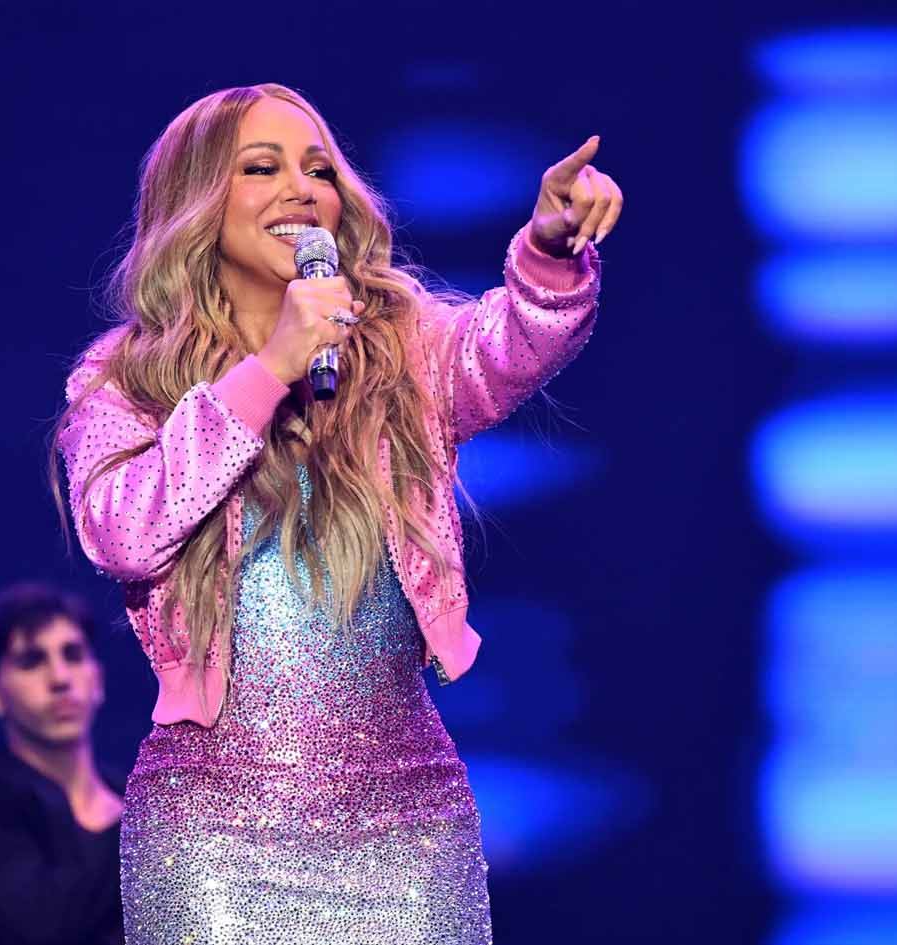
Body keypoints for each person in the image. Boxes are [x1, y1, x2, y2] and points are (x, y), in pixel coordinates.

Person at [52, 83, 621, 944]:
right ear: (196, 201)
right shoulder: (124, 380)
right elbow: (124, 533)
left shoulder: (396, 346)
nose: (301, 189)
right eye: (261, 168)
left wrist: (547, 248)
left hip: (407, 833)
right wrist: (269, 369)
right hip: (214, 844)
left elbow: (508, 346)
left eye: (318, 169)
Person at [0, 582, 125, 945]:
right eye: (32, 661)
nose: (60, 678)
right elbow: (33, 929)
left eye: (73, 655)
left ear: (98, 679)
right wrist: (138, 836)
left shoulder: (137, 796)